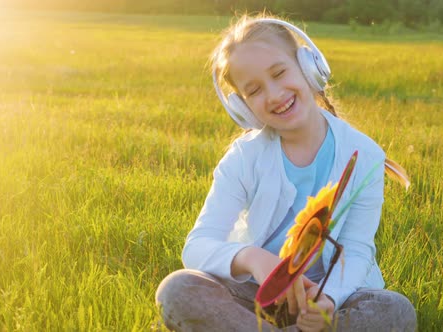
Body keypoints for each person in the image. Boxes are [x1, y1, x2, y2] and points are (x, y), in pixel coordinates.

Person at [156, 14, 417, 331]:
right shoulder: (244, 158)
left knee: (395, 311)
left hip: (332, 300)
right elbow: (197, 246)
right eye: (254, 90)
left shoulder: (364, 155)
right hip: (261, 295)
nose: (275, 94)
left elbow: (357, 249)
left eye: (279, 73)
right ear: (242, 108)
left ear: (309, 66)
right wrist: (254, 259)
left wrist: (328, 301)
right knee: (178, 290)